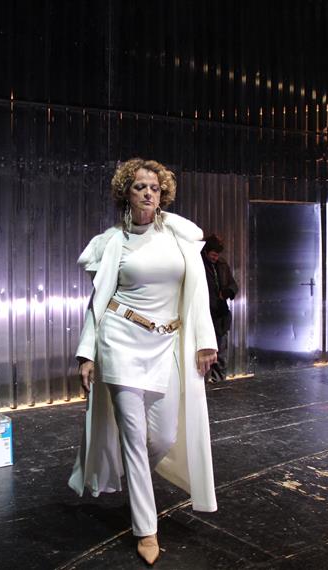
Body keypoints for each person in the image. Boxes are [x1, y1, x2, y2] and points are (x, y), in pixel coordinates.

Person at [68, 158, 218, 565]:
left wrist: (205, 341)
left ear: (162, 193)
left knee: (163, 436)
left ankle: (131, 479)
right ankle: (145, 529)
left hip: (166, 344)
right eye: (139, 187)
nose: (148, 192)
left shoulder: (178, 236)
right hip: (120, 340)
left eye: (154, 187)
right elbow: (98, 301)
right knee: (134, 438)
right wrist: (87, 353)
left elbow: (198, 292)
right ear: (126, 194)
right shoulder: (112, 242)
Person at [201, 234, 238, 383]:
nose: (215, 258)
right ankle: (204, 385)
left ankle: (219, 384)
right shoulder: (199, 264)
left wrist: (228, 291)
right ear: (206, 252)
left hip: (221, 315)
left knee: (221, 354)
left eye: (217, 255)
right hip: (205, 315)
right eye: (213, 255)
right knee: (205, 354)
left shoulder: (222, 264)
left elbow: (233, 284)